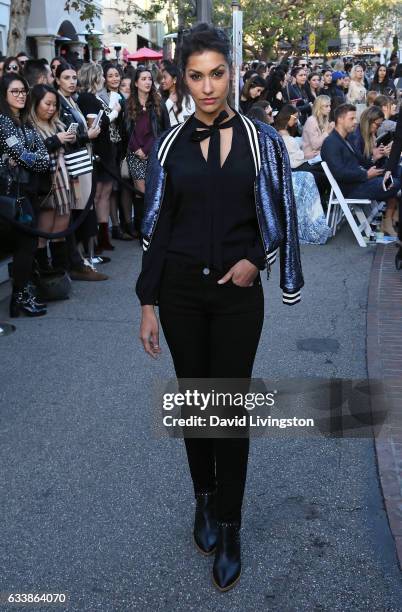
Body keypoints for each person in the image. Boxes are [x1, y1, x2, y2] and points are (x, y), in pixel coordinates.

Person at [136, 23, 303, 592]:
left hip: (237, 296)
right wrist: (147, 302)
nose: (208, 87)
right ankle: (203, 500)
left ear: (232, 74)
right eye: (196, 76)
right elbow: (157, 228)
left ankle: (229, 526)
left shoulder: (262, 140)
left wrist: (258, 258)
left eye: (218, 74)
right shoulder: (168, 144)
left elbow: (279, 214)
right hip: (180, 293)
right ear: (182, 80)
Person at [0, 73, 50, 316]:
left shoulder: (26, 121)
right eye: (14, 91)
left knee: (27, 246)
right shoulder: (4, 121)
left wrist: (29, 159)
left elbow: (42, 159)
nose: (20, 95)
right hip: (11, 195)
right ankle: (19, 297)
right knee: (24, 245)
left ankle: (21, 296)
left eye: (23, 91)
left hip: (27, 192)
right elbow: (24, 155)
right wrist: (29, 159)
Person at [55, 63, 107, 281]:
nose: (72, 81)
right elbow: (64, 134)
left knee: (79, 210)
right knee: (71, 213)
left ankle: (75, 260)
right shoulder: (58, 102)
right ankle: (71, 262)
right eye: (66, 77)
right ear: (57, 80)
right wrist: (88, 136)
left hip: (81, 160)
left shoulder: (72, 100)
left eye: (74, 77)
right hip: (69, 162)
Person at [321, 103, 401, 237]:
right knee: (396, 183)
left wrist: (381, 167)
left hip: (359, 182)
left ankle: (390, 218)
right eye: (351, 118)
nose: (355, 122)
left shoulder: (346, 139)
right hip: (351, 188)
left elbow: (363, 161)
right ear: (340, 119)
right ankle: (390, 218)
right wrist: (365, 175)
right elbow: (339, 173)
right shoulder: (331, 142)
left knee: (396, 172)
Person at [28, 84, 78, 275]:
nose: (51, 108)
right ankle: (43, 274)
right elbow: (33, 153)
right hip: (46, 186)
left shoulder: (58, 123)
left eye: (54, 104)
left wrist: (73, 139)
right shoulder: (30, 127)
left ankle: (60, 272)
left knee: (60, 232)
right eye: (47, 104)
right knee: (43, 232)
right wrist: (56, 140)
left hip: (65, 183)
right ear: (35, 104)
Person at [77, 62, 122, 252]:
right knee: (96, 196)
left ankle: (104, 237)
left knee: (105, 194)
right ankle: (94, 241)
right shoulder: (87, 98)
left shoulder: (95, 97)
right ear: (94, 77)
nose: (104, 78)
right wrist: (115, 113)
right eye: (102, 75)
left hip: (106, 150)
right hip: (97, 153)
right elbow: (97, 124)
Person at [125, 67, 162, 232]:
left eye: (149, 79)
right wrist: (137, 149)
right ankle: (143, 228)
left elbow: (160, 131)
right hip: (135, 154)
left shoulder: (157, 104)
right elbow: (126, 131)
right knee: (141, 192)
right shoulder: (128, 104)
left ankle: (152, 227)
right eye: (143, 79)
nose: (148, 82)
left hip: (153, 153)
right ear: (136, 83)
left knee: (153, 190)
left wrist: (148, 149)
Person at [275, 104, 328, 196]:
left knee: (323, 167)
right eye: (294, 118)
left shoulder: (287, 131)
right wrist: (306, 155)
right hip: (295, 167)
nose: (296, 121)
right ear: (287, 117)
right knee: (322, 173)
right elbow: (292, 158)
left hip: (299, 163)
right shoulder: (282, 135)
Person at [160, 62, 195, 128]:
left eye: (165, 77)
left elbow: (189, 120)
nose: (162, 81)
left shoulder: (187, 98)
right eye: (162, 78)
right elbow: (159, 121)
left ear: (175, 79)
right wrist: (169, 103)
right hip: (170, 136)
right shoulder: (161, 98)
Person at [302, 95, 334, 159]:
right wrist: (328, 132)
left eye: (330, 106)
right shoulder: (311, 121)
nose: (329, 109)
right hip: (310, 156)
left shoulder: (324, 119)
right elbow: (315, 145)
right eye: (326, 106)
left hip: (320, 154)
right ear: (319, 107)